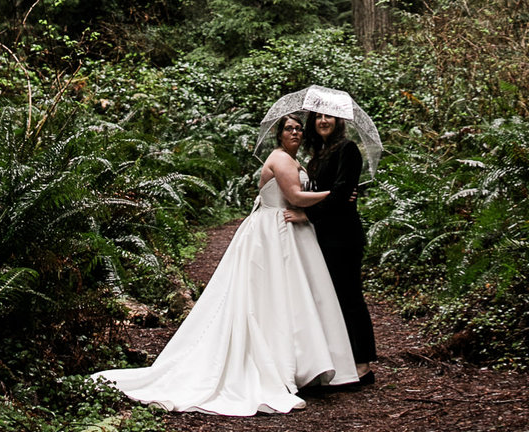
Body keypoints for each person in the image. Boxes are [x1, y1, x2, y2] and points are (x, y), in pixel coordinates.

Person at [92, 112, 360, 415]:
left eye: (299, 128)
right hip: (273, 230)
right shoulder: (282, 159)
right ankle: (278, 362)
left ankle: (297, 360)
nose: (295, 132)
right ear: (279, 134)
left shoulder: (297, 160)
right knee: (269, 294)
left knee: (289, 296)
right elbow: (295, 197)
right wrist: (336, 194)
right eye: (289, 128)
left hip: (289, 230)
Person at [305, 108, 378, 372]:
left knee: (349, 296)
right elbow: (324, 193)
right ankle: (340, 359)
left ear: (338, 121)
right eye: (317, 117)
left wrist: (306, 215)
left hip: (343, 236)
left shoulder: (347, 149)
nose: (323, 121)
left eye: (328, 116)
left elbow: (340, 193)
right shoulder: (317, 155)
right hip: (323, 235)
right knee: (330, 297)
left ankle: (362, 363)